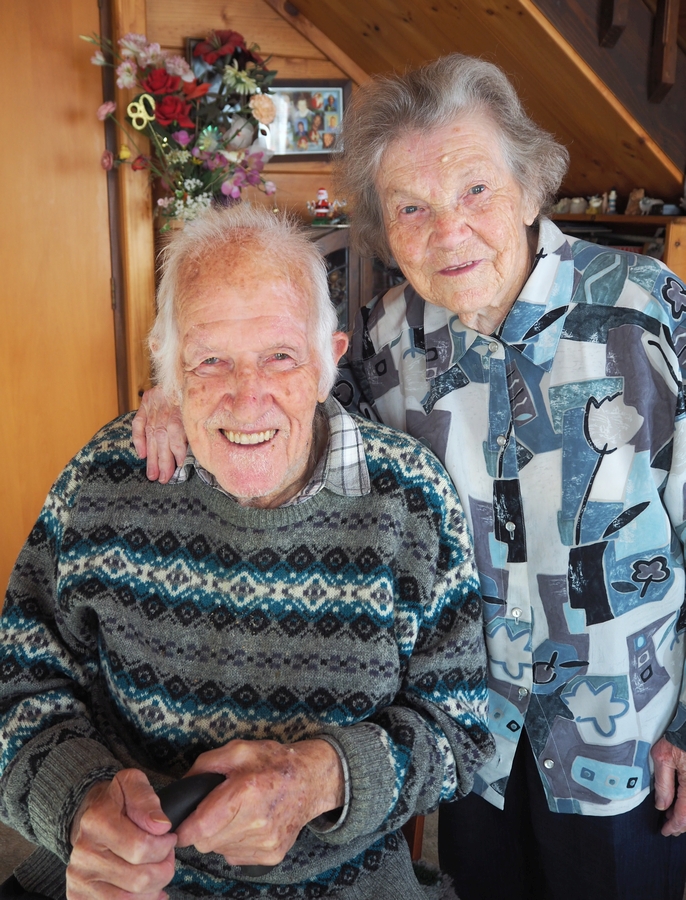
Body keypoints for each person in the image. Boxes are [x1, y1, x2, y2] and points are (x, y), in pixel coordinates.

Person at [132, 54, 686, 900]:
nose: (447, 231)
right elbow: (283, 416)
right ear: (386, 230)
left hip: (630, 745)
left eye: (475, 192)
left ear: (531, 189)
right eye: (411, 209)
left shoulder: (647, 310)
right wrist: (180, 391)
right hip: (468, 741)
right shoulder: (388, 338)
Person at [0, 204, 493, 900]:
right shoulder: (102, 483)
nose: (247, 396)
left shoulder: (409, 499)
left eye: (281, 356)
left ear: (330, 360)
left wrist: (325, 776)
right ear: (168, 374)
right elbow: (17, 691)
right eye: (210, 361)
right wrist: (78, 802)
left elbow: (461, 731)